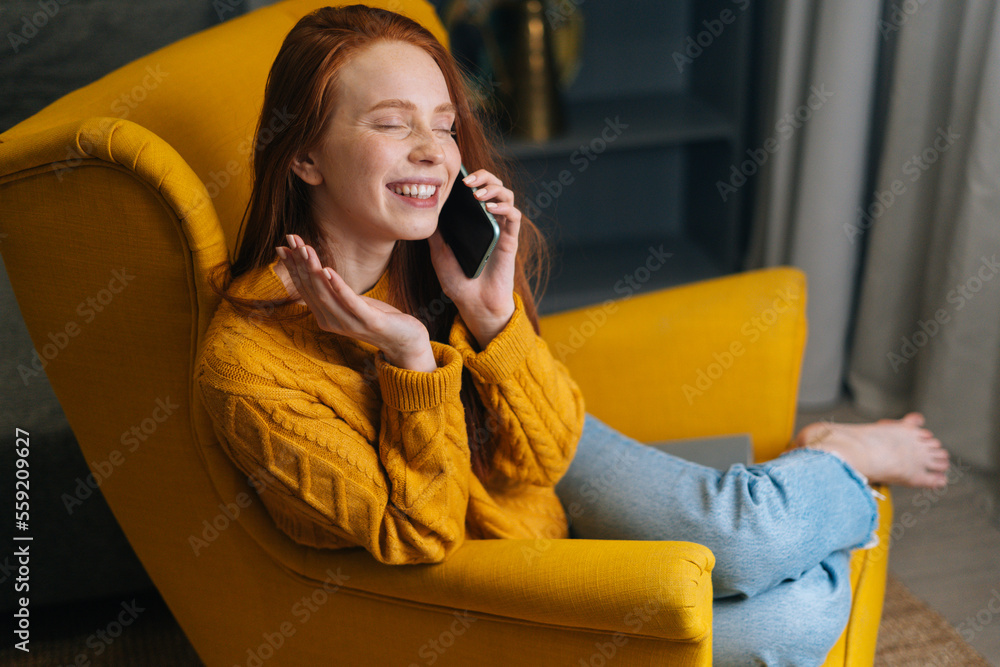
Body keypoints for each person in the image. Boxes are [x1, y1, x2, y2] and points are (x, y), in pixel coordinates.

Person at [194, 5, 950, 664]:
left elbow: (551, 451)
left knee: (749, 533)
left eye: (445, 125)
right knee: (796, 609)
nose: (433, 150)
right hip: (486, 575)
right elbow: (419, 538)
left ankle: (826, 462)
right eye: (393, 124)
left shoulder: (435, 258)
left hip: (527, 485)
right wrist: (411, 361)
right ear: (302, 154)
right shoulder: (247, 367)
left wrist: (491, 318)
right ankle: (825, 481)